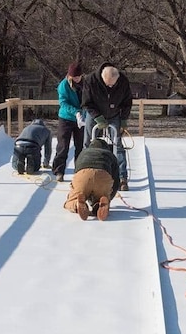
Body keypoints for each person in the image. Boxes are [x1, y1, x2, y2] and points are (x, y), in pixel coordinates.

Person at [80, 63, 133, 191]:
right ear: (102, 78)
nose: (110, 87)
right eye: (108, 84)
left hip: (114, 114)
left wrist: (124, 119)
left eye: (112, 85)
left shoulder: (123, 81)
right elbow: (86, 103)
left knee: (118, 145)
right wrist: (98, 117)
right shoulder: (90, 80)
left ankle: (122, 178)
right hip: (94, 114)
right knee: (88, 144)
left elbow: (127, 103)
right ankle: (84, 175)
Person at [63, 138, 121, 221]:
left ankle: (76, 204)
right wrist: (109, 198)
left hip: (83, 175)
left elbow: (77, 172)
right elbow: (116, 181)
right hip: (103, 175)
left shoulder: (83, 153)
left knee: (69, 201)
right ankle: (99, 205)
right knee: (101, 196)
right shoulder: (110, 155)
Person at [52, 62, 86, 183]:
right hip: (66, 118)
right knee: (63, 145)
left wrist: (83, 114)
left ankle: (80, 171)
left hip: (81, 119)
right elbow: (63, 103)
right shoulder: (63, 85)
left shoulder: (85, 84)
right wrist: (75, 112)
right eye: (74, 77)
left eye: (79, 77)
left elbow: (88, 100)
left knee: (80, 145)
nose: (77, 79)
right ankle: (59, 171)